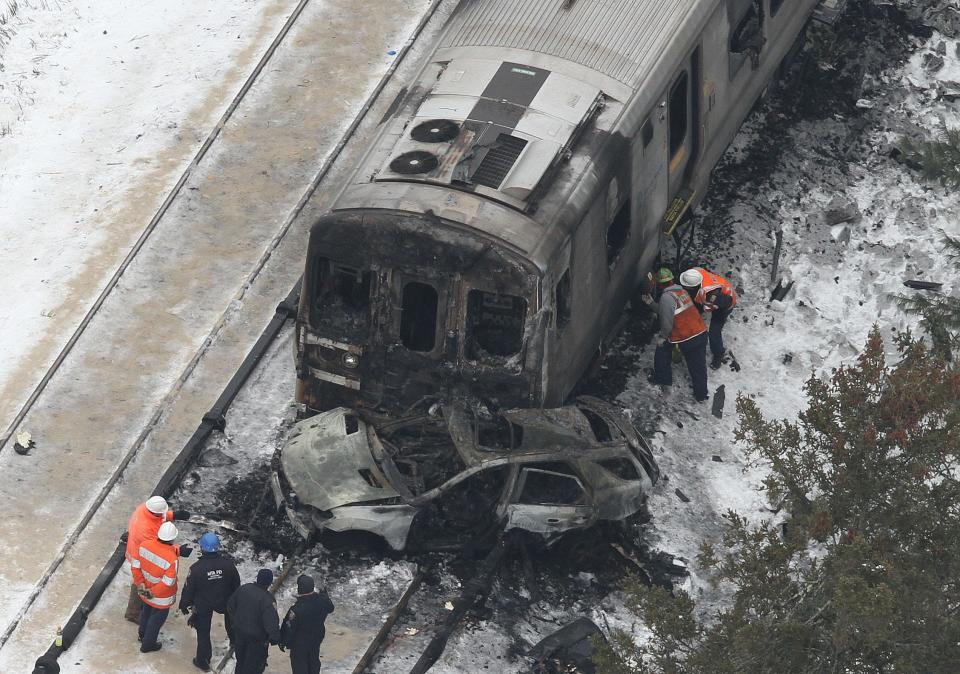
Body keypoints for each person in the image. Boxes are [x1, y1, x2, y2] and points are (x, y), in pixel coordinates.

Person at [643, 267, 709, 401]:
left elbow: (666, 321)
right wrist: (651, 304)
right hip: (700, 332)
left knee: (662, 351)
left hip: (685, 336)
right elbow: (668, 310)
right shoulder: (681, 291)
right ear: (672, 279)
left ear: (659, 284)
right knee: (698, 367)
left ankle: (663, 379)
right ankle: (701, 395)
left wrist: (663, 337)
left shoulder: (666, 297)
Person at [179, 532, 241, 672]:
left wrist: (184, 604)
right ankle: (235, 641)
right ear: (218, 547)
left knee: (203, 631)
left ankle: (203, 661)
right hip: (225, 600)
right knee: (230, 620)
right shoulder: (228, 565)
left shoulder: (196, 569)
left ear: (202, 548)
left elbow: (189, 588)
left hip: (203, 603)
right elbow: (236, 584)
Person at [124, 495, 190, 623]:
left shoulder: (145, 508)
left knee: (144, 577)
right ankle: (134, 612)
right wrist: (178, 550)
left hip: (139, 549)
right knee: (140, 579)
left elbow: (159, 517)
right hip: (141, 554)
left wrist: (173, 515)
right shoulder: (145, 529)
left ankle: (140, 606)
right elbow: (157, 548)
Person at [133, 521, 192, 653]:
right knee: (156, 620)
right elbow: (168, 582)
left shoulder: (144, 545)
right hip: (161, 597)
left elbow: (136, 566)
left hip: (144, 589)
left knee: (146, 613)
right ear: (172, 538)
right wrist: (152, 593)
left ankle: (142, 635)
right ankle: (148, 644)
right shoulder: (172, 559)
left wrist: (142, 585)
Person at [680, 267, 738, 370]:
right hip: (717, 292)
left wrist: (710, 307)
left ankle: (718, 353)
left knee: (714, 332)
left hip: (724, 305)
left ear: (694, 287)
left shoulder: (711, 296)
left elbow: (726, 301)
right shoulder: (695, 273)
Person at [226, 568, 281, 674]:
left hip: (239, 633)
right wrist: (275, 638)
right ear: (269, 582)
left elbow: (230, 606)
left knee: (240, 662)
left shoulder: (243, 588)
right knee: (252, 667)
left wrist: (236, 621)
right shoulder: (268, 600)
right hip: (257, 640)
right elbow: (271, 623)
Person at [280, 575, 335, 674]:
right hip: (316, 639)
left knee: (300, 667)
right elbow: (331, 608)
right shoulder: (322, 600)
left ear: (300, 589)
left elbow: (289, 628)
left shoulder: (296, 609)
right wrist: (325, 596)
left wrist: (283, 641)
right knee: (314, 663)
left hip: (299, 644)